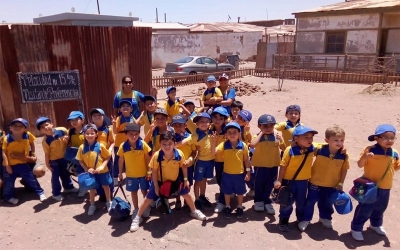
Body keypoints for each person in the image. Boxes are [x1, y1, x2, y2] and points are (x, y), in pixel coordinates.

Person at [130, 131, 206, 232]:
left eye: (170, 143)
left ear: (174, 144)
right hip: (160, 181)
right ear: (160, 144)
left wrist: (185, 180)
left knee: (187, 195)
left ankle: (194, 211)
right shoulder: (157, 156)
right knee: (148, 199)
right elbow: (154, 171)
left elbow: (183, 167)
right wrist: (156, 187)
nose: (167, 146)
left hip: (175, 181)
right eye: (164, 144)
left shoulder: (179, 154)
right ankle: (138, 217)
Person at [350, 124, 399, 241]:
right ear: (376, 138)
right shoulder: (370, 150)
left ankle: (375, 224)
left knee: (381, 207)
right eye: (386, 137)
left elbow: (396, 167)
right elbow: (360, 164)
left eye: (392, 138)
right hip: (370, 186)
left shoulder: (394, 153)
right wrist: (365, 157)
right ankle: (356, 228)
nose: (389, 140)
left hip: (385, 186)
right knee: (365, 207)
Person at [299, 125, 349, 231]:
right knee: (310, 202)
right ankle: (306, 219)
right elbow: (308, 145)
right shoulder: (319, 149)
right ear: (327, 140)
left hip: (332, 185)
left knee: (327, 202)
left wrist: (340, 183)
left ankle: (325, 218)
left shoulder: (344, 155)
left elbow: (344, 169)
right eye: (336, 140)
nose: (339, 143)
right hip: (315, 182)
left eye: (342, 140)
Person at [274, 125, 318, 232]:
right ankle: (284, 220)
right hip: (289, 181)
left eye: (311, 137)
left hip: (303, 182)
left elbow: (327, 145)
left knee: (301, 202)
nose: (309, 140)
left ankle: (300, 219)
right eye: (306, 137)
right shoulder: (290, 150)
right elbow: (283, 165)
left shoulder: (312, 148)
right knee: (287, 202)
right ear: (296, 139)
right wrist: (279, 180)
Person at [2, 118, 46, 204]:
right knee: (8, 183)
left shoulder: (28, 135)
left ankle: (40, 192)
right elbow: (4, 153)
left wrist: (33, 153)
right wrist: (7, 166)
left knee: (31, 179)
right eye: (15, 125)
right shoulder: (6, 139)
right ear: (10, 127)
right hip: (10, 165)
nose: (17, 127)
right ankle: (8, 197)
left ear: (25, 128)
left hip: (23, 163)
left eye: (21, 126)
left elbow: (32, 143)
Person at [212, 122, 250, 219]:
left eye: (234, 132)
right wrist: (213, 141)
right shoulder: (224, 145)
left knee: (240, 192)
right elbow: (213, 152)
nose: (232, 134)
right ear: (226, 135)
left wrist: (248, 172)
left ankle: (240, 207)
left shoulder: (243, 146)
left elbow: (246, 160)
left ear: (239, 133)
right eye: (229, 132)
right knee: (226, 191)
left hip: (240, 174)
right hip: (227, 174)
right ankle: (228, 206)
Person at [176, 112, 214, 210]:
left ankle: (202, 196)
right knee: (198, 180)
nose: (204, 124)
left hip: (210, 161)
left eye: (206, 122)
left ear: (210, 123)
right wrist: (171, 146)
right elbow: (183, 142)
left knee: (204, 180)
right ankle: (197, 200)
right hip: (201, 161)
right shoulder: (194, 136)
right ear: (196, 123)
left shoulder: (211, 132)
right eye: (201, 121)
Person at [250, 114, 285, 215]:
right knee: (259, 183)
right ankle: (258, 200)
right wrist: (261, 133)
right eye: (265, 126)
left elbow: (284, 148)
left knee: (270, 184)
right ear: (259, 126)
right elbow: (252, 144)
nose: (268, 128)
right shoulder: (257, 136)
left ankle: (267, 201)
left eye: (271, 126)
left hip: (273, 164)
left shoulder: (276, 136)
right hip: (260, 165)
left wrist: (281, 140)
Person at [36, 117, 78, 201]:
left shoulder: (62, 130)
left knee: (65, 173)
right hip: (54, 160)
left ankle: (68, 187)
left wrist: (67, 139)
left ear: (51, 124)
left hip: (64, 157)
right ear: (41, 131)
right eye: (43, 127)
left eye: (47, 124)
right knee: (55, 176)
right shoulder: (46, 141)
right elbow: (47, 153)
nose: (46, 127)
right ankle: (56, 193)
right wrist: (47, 164)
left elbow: (69, 136)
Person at [76, 124, 112, 216]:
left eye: (92, 133)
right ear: (84, 134)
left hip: (102, 171)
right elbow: (80, 160)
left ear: (96, 134)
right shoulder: (81, 147)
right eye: (87, 133)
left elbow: (108, 156)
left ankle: (109, 201)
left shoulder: (100, 146)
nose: (89, 135)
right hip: (90, 172)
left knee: (106, 186)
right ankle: (92, 204)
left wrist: (102, 166)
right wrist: (87, 169)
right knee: (91, 188)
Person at [117, 123, 151, 218]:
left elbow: (148, 158)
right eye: (131, 134)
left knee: (145, 190)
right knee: (133, 191)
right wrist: (120, 173)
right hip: (131, 175)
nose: (134, 136)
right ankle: (136, 209)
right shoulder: (123, 146)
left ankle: (146, 207)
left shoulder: (143, 144)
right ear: (126, 135)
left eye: (136, 134)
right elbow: (121, 160)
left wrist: (149, 171)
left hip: (143, 174)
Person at [171, 114, 197, 210]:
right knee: (177, 183)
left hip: (188, 165)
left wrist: (190, 159)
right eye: (175, 125)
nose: (178, 127)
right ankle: (178, 200)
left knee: (188, 183)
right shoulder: (171, 138)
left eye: (180, 125)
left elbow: (194, 152)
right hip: (175, 165)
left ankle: (186, 201)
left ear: (185, 125)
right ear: (172, 126)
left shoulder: (190, 137)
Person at [90, 108, 115, 201]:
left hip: (106, 157)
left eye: (99, 115)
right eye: (94, 116)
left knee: (108, 175)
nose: (97, 117)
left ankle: (110, 193)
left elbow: (113, 142)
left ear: (103, 117)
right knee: (97, 175)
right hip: (94, 157)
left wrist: (110, 150)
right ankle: (101, 194)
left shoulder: (108, 129)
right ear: (91, 118)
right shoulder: (89, 130)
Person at [210, 107, 230, 213]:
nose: (217, 120)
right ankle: (226, 193)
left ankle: (222, 201)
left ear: (225, 120)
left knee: (224, 180)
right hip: (216, 159)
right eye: (215, 117)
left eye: (220, 118)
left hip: (227, 160)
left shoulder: (228, 131)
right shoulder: (209, 129)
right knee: (218, 179)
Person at [112, 100, 136, 185]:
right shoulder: (119, 119)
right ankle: (115, 177)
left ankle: (129, 175)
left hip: (129, 143)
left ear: (131, 109)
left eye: (127, 105)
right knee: (117, 161)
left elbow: (136, 129)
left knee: (129, 160)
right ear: (120, 109)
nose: (125, 107)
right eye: (123, 106)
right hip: (119, 143)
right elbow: (115, 132)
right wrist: (114, 124)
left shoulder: (133, 118)